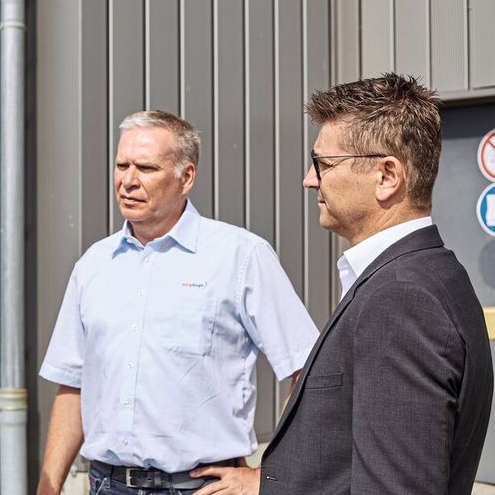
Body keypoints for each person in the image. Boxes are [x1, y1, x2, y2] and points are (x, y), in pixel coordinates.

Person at [202, 74, 494, 495]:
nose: (309, 179)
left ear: (387, 176)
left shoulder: (401, 299)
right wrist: (268, 481)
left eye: (323, 163)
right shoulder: (431, 274)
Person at [37, 110, 319, 494]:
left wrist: (267, 476)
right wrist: (47, 487)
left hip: (200, 488)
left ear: (186, 176)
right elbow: (72, 385)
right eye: (122, 165)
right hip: (106, 485)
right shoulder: (94, 265)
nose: (128, 180)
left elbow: (308, 369)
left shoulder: (240, 256)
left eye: (146, 168)